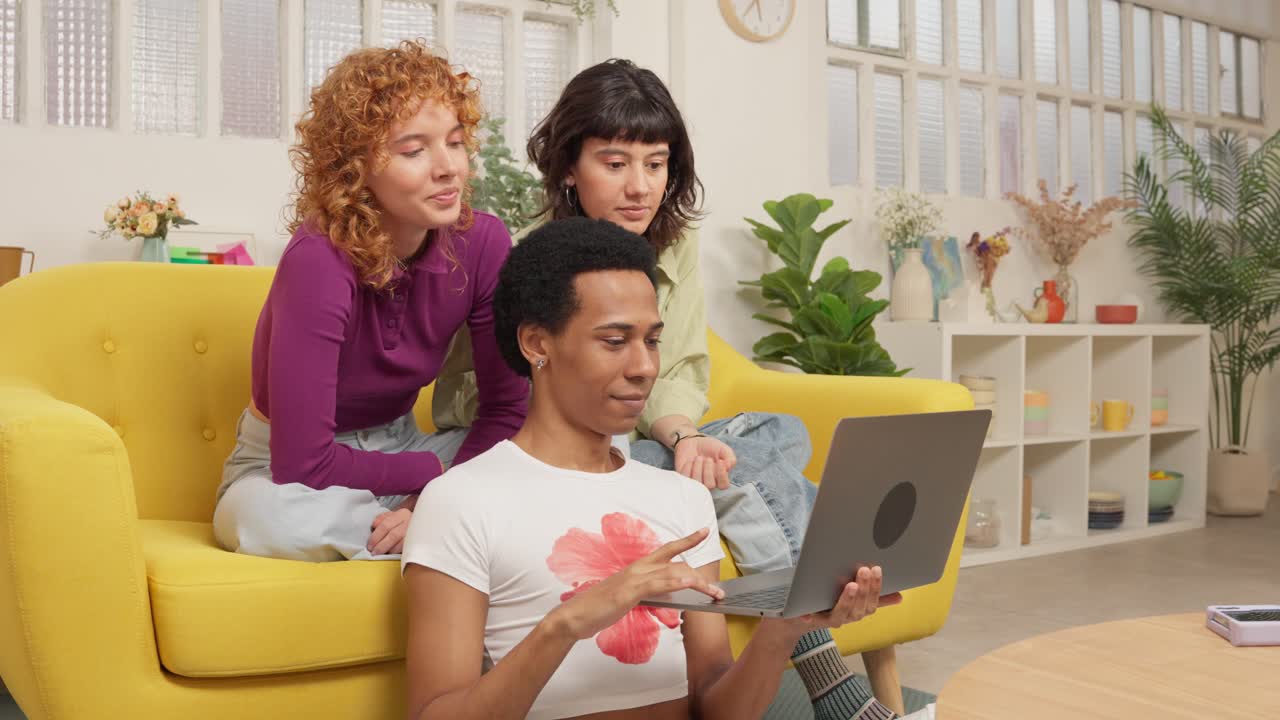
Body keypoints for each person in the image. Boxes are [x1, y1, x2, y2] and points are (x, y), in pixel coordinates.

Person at [431, 59, 876, 717]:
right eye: (615, 163)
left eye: (656, 163)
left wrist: (685, 435)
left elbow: (679, 368)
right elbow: (484, 394)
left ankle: (805, 623)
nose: (639, 186)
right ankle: (831, 679)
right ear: (569, 167)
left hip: (637, 439)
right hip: (545, 437)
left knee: (766, 435)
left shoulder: (672, 246)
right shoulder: (529, 259)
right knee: (750, 458)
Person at [403, 217, 917, 720]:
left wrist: (783, 630)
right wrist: (566, 624)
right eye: (614, 341)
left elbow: (715, 709)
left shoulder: (681, 497)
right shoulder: (463, 499)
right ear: (537, 344)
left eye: (651, 341)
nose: (645, 367)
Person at [212, 40, 529, 562]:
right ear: (355, 166)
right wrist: (440, 480)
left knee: (582, 450)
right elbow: (302, 464)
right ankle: (455, 533)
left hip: (408, 447)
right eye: (414, 151)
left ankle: (432, 529)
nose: (448, 167)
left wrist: (432, 498)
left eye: (455, 142)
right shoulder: (318, 258)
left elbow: (507, 409)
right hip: (288, 475)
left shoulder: (483, 243)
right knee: (267, 518)